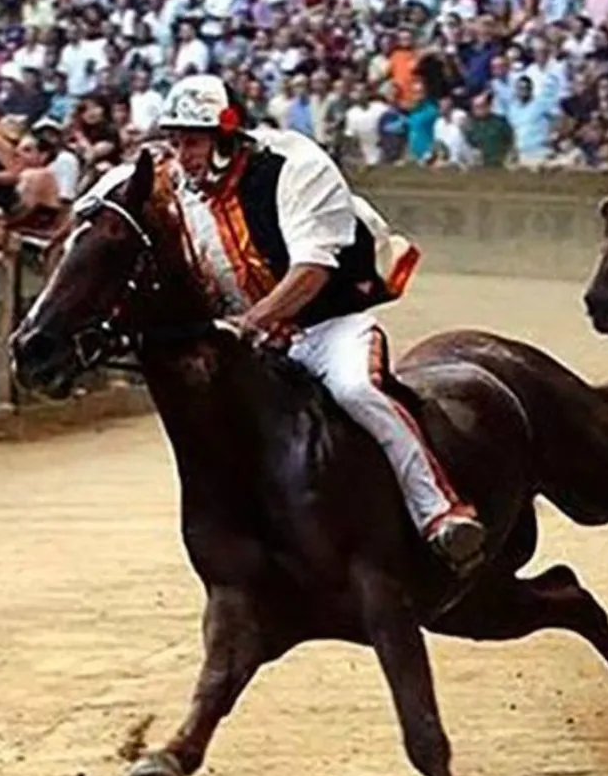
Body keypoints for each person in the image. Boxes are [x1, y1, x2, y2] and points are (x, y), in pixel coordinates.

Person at [157, 73, 486, 574]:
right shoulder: (180, 192)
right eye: (177, 142)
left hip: (329, 328)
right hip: (258, 345)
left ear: (226, 138)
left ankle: (439, 511)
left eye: (194, 141)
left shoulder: (296, 165)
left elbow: (312, 272)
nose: (184, 155)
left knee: (358, 391)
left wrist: (249, 323)